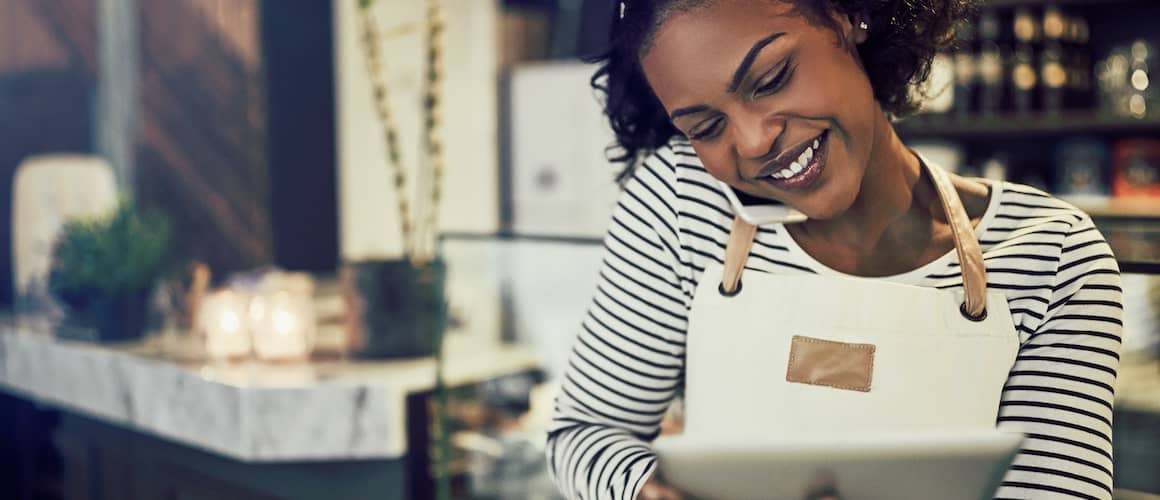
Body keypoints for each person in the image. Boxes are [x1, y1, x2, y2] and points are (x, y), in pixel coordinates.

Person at [545, 0, 1124, 499]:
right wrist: (647, 489)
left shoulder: (1052, 255)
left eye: (771, 79)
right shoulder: (683, 202)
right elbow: (585, 434)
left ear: (850, 18)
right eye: (705, 126)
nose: (752, 141)